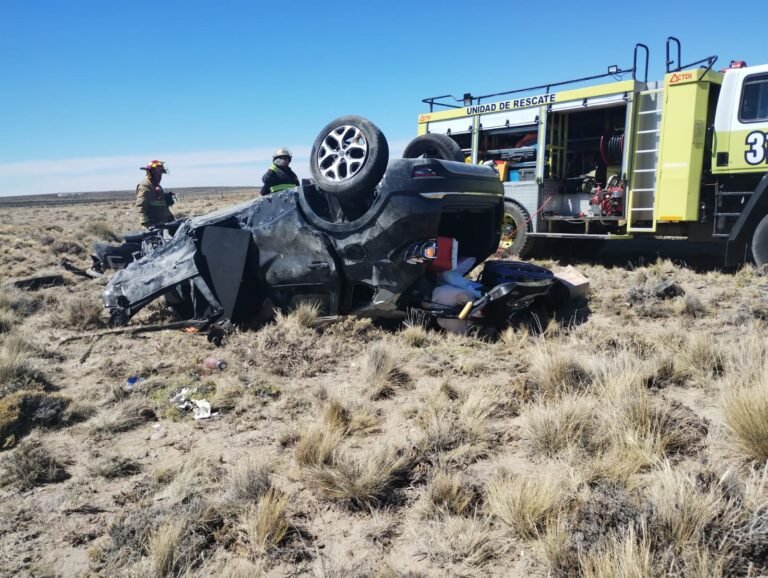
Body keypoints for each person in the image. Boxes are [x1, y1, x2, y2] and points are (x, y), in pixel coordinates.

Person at [136, 160, 174, 228]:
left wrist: (166, 201)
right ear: (151, 173)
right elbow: (141, 207)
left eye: (161, 173)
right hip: (154, 225)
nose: (160, 176)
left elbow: (160, 206)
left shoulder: (157, 186)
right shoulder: (145, 186)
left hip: (164, 223)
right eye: (158, 173)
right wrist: (146, 225)